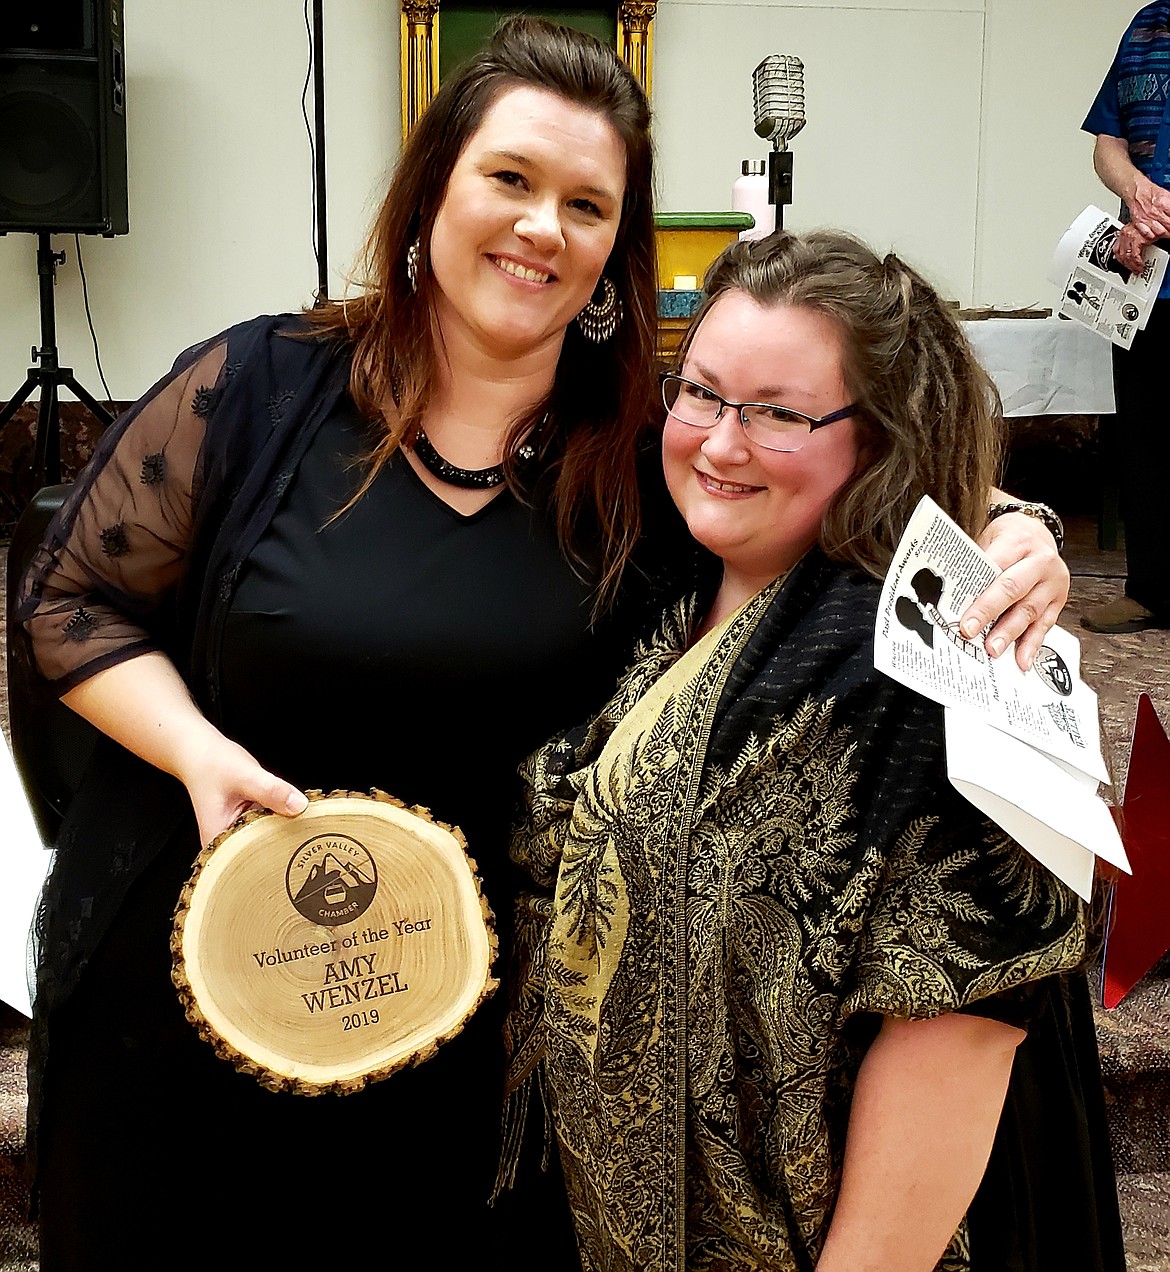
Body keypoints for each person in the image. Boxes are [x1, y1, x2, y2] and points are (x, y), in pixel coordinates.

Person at [12, 15, 1069, 1271]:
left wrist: (1012, 525)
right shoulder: (256, 387)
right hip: (194, 993)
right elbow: (70, 604)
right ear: (434, 190)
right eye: (509, 179)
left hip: (478, 1065)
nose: (539, 227)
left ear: (616, 246)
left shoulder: (652, 458)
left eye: (586, 203)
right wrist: (195, 753)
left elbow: (837, 474)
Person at [502, 229, 1126, 1271]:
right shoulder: (662, 585)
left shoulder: (945, 666)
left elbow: (960, 1034)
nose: (719, 442)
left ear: (879, 436)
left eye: (780, 413)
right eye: (699, 392)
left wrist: (1010, 529)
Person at [1081, 4, 1170, 633]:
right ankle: (1150, 589)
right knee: (1143, 433)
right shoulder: (1144, 27)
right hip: (1144, 277)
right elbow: (1107, 142)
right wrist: (1136, 194)